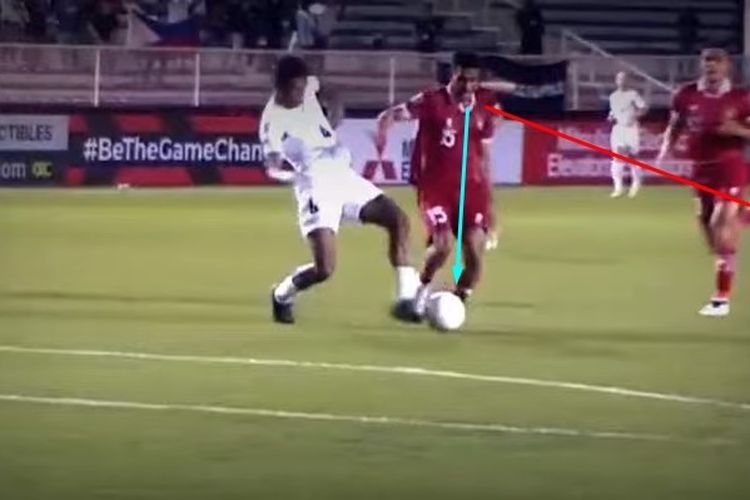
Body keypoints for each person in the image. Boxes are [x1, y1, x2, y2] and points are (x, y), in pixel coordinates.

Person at [262, 55, 421, 324]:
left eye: (303, 87)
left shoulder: (309, 87)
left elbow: (330, 90)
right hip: (316, 190)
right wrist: (291, 175)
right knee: (325, 269)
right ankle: (281, 294)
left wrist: (335, 113)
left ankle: (406, 299)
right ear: (280, 87)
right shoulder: (272, 122)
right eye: (295, 89)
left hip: (344, 179)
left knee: (398, 220)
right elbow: (272, 167)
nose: (301, 94)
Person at [374, 52, 498, 315]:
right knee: (442, 246)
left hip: (472, 189)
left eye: (473, 80)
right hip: (435, 189)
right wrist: (383, 128)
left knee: (475, 255)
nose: (468, 86)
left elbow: (485, 158)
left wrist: (491, 208)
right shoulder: (431, 101)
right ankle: (420, 293)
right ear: (453, 74)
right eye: (462, 79)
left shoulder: (486, 105)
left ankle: (457, 302)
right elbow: (392, 114)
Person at [657, 48, 749, 317]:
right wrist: (666, 149)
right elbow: (675, 125)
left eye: (717, 62)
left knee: (721, 230)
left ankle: (721, 298)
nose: (712, 67)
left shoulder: (741, 98)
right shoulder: (686, 94)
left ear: (727, 66)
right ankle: (743, 216)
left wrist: (737, 130)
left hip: (730, 166)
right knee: (709, 231)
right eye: (708, 62)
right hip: (701, 169)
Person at [608, 71, 648, 198]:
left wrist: (635, 116)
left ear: (628, 81)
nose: (622, 81)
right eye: (619, 79)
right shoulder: (613, 96)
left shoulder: (633, 94)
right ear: (616, 81)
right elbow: (613, 111)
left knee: (632, 157)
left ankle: (636, 184)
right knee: (617, 157)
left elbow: (644, 107)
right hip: (619, 128)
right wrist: (611, 117)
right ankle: (618, 187)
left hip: (631, 129)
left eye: (624, 79)